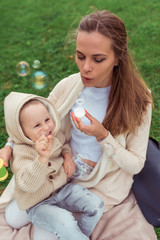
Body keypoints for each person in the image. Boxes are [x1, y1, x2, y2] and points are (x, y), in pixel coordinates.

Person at [0, 9, 157, 240]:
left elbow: (135, 164)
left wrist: (103, 135)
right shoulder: (69, 86)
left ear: (118, 58)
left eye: (98, 59)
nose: (85, 67)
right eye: (80, 56)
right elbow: (35, 124)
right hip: (57, 176)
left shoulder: (139, 100)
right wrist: (10, 146)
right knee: (16, 218)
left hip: (100, 186)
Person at [3, 91, 104, 240]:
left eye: (47, 119)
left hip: (62, 190)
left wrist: (67, 155)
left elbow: (63, 145)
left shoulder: (53, 135)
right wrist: (42, 158)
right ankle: (68, 232)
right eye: (37, 125)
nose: (45, 127)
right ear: (21, 131)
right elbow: (28, 185)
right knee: (64, 222)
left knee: (96, 205)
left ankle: (78, 235)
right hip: (37, 204)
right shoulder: (21, 153)